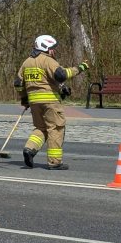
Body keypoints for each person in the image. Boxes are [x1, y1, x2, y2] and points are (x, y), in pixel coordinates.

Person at [14, 35, 89, 170]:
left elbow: (18, 83)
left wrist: (24, 99)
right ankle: (54, 162)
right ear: (46, 47)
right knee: (56, 129)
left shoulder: (26, 63)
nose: (54, 51)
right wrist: (80, 68)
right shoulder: (48, 61)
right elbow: (61, 75)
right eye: (52, 48)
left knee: (40, 128)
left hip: (34, 102)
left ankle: (29, 149)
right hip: (50, 102)